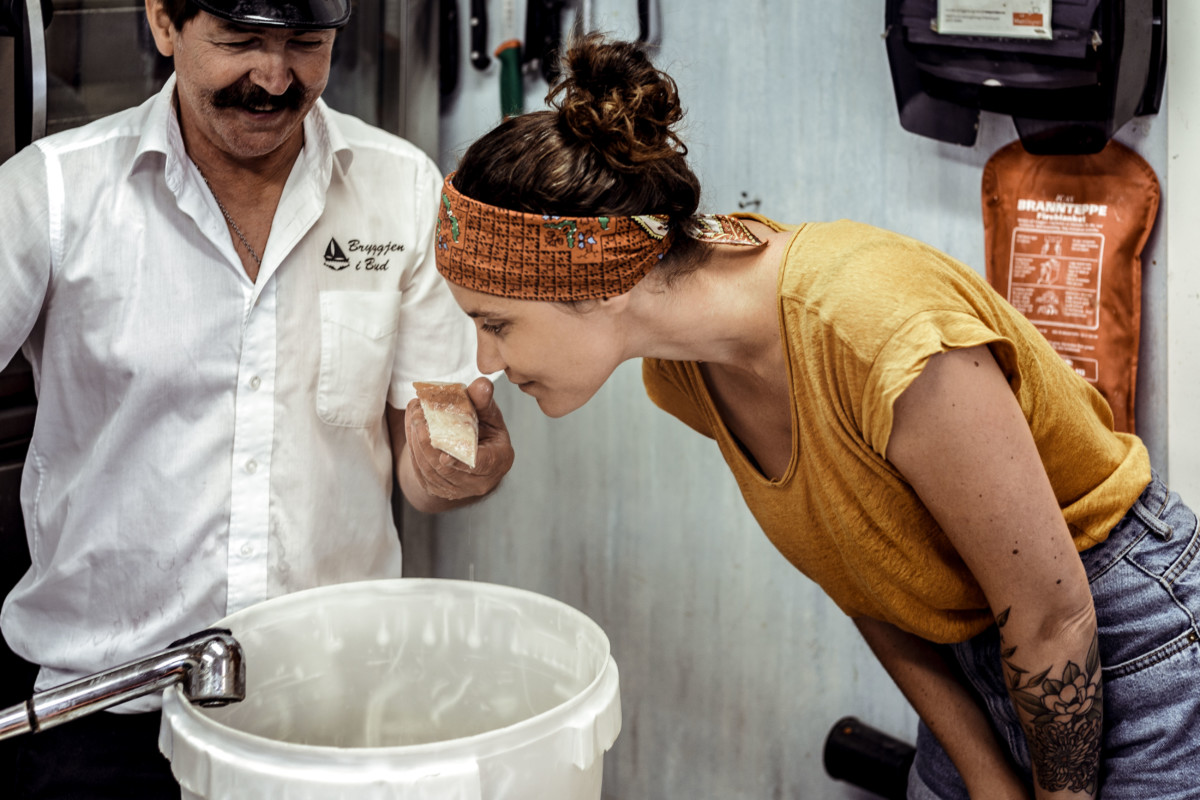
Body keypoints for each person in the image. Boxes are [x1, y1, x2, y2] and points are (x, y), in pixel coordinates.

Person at [431, 33, 1200, 800]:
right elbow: (864, 569)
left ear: (598, 283)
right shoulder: (684, 376)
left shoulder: (873, 328)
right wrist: (983, 774)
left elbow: (1052, 614)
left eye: (496, 323)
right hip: (977, 655)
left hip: (1115, 633)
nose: (486, 359)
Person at [0, 0, 514, 796]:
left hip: (332, 712)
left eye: (305, 45)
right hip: (105, 713)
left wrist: (459, 467)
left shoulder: (400, 188)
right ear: (165, 23)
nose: (274, 79)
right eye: (240, 43)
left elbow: (434, 444)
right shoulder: (57, 192)